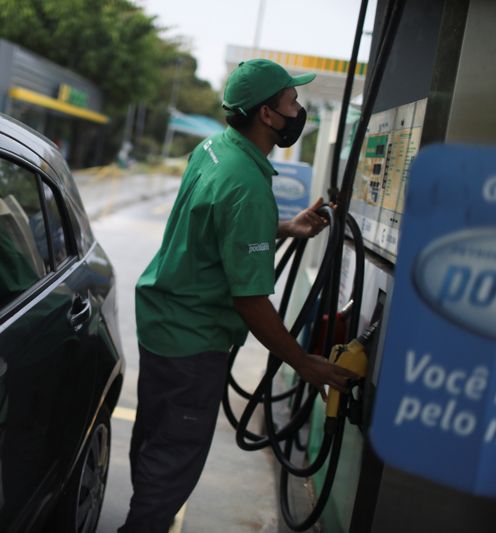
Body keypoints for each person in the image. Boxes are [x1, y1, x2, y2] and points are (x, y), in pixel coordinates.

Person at [119, 59, 359, 532]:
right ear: (267, 115)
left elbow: (217, 226)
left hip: (164, 324)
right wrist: (303, 363)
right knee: (172, 467)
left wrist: (286, 228)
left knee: (155, 445)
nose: (299, 109)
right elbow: (250, 302)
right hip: (194, 341)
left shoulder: (214, 148)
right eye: (292, 101)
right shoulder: (247, 185)